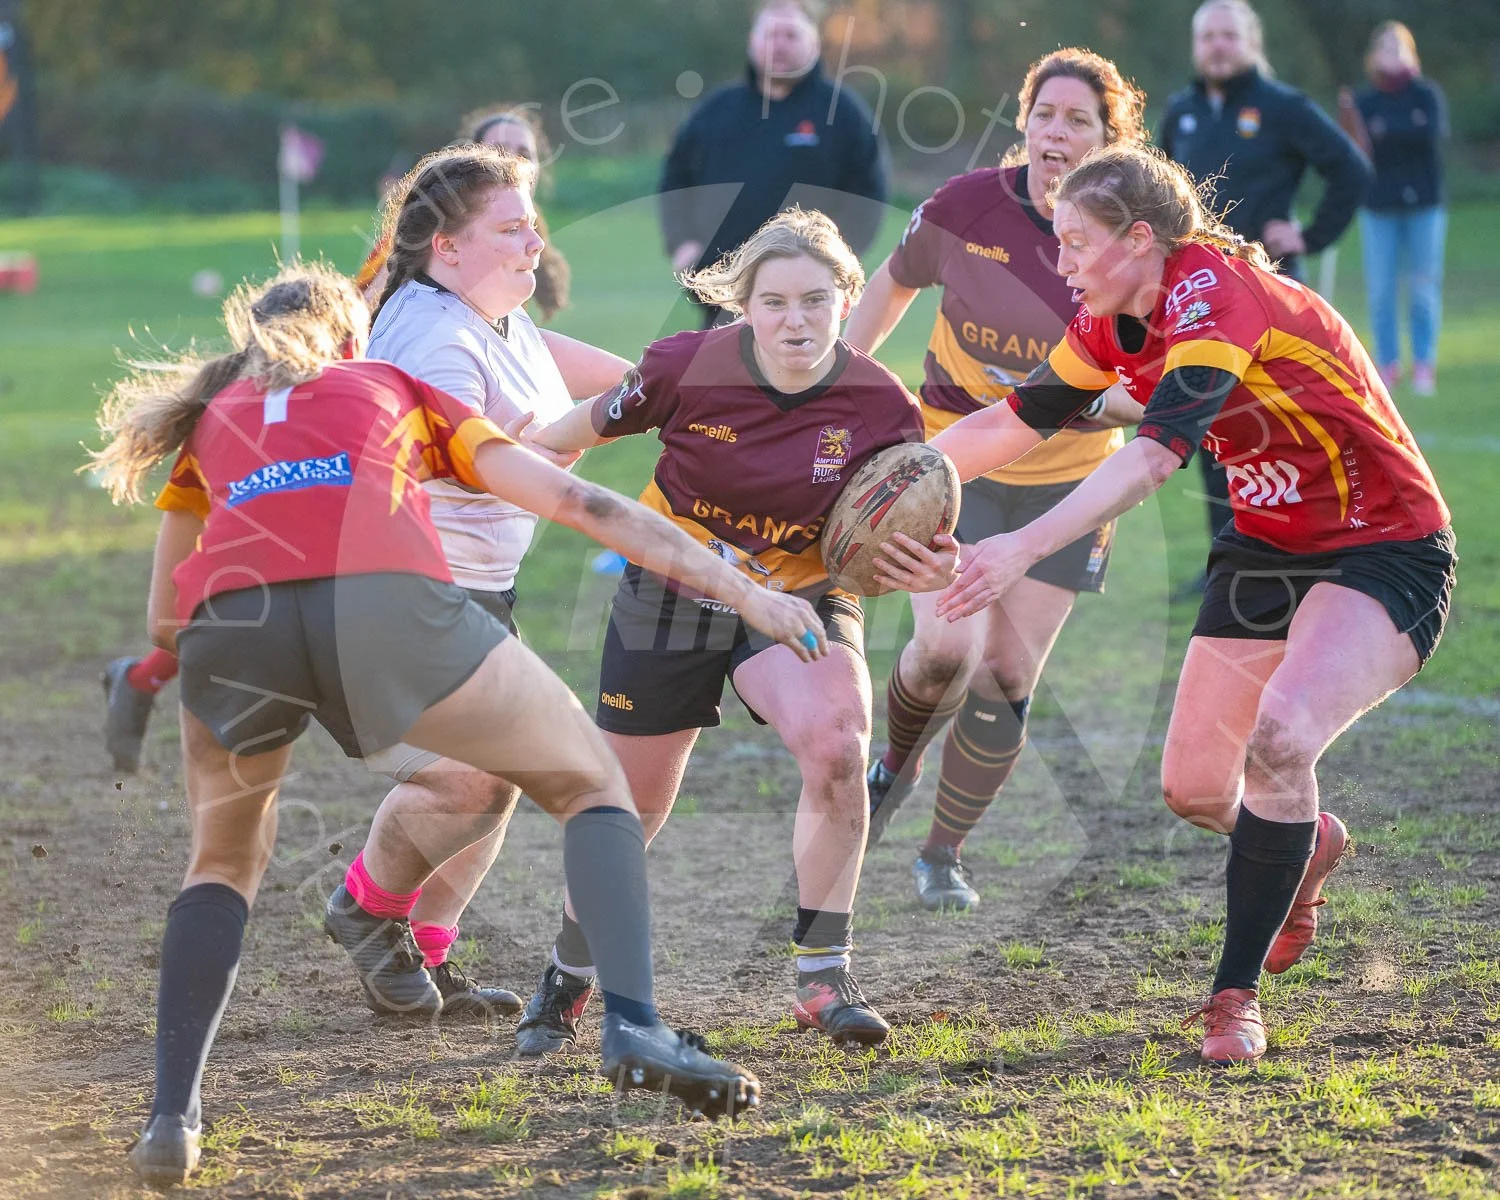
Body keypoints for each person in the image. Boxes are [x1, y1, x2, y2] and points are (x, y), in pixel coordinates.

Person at [90, 264, 828, 1187]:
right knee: (592, 783)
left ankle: (171, 1121)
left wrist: (194, 658)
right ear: (354, 341)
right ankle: (633, 1028)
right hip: (387, 609)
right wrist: (744, 591)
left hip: (235, 635)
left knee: (222, 866)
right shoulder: (390, 386)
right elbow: (580, 502)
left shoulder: (211, 423)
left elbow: (166, 616)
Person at [878, 144, 1453, 1066]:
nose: (1059, 263)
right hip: (1266, 551)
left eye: (1075, 243)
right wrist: (899, 481)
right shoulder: (1110, 319)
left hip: (1382, 543)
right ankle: (1306, 841)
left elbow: (1153, 457)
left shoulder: (1216, 298)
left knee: (1280, 741)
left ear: (1140, 239)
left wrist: (1018, 545)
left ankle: (1235, 999)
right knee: (1192, 789)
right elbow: (1013, 419)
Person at [512, 207, 949, 1054]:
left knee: (837, 743)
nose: (796, 321)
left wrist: (933, 563)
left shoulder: (878, 404)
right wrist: (489, 480)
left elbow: (910, 530)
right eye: (775, 302)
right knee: (627, 805)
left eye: (816, 302)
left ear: (846, 300)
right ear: (742, 304)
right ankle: (570, 971)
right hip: (672, 588)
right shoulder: (685, 366)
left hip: (796, 595)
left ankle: (823, 975)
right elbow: (571, 433)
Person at [98, 106, 575, 778]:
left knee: (259, 564)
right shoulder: (421, 253)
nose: (511, 157)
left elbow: (528, 333)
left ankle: (145, 678)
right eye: (496, 146)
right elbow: (370, 316)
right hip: (338, 402)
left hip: (334, 457)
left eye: (521, 150)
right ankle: (146, 677)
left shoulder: (515, 241)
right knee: (280, 554)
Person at [322, 144, 635, 1021]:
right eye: (511, 228)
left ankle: (419, 958)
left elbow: (592, 383)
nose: (534, 241)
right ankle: (364, 909)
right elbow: (475, 467)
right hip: (401, 593)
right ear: (446, 248)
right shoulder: (432, 336)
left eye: (533, 222)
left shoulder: (494, 312)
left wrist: (683, 390)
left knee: (509, 768)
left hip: (469, 594)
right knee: (470, 778)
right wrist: (583, 438)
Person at [844, 48, 1147, 911]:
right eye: (1045, 114)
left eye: (1079, 119)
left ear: (1109, 140)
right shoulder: (966, 204)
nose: (1057, 131)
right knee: (946, 648)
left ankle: (943, 853)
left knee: (1007, 676)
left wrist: (1085, 405)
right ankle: (888, 771)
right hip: (953, 467)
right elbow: (888, 289)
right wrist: (842, 389)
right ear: (1025, 123)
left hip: (1065, 488)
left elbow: (1152, 381)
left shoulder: (1132, 239)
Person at [1157, 0, 1371, 550]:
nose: (1218, 45)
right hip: (1195, 295)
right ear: (1194, 45)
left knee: (1272, 424)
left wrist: (1310, 235)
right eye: (1208, 36)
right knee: (1206, 424)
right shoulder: (1181, 112)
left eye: (1229, 35)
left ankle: (1294, 548)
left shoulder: (1282, 107)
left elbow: (1350, 168)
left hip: (1266, 290)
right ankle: (1224, 555)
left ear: (1252, 42)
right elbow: (1150, 194)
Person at [659, 0, 888, 328]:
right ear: (752, 40)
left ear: (814, 41)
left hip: (807, 300)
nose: (779, 45)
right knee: (718, 380)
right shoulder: (715, 111)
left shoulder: (842, 113)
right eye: (771, 35)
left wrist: (833, 259)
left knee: (803, 379)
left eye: (791, 35)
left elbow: (868, 194)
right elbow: (676, 178)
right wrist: (682, 243)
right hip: (723, 296)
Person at [1341, 23, 1448, 396]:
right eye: (1385, 47)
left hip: (1424, 205)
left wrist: (1387, 133)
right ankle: (1388, 364)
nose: (1392, 53)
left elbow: (1427, 136)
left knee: (1422, 286)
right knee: (1381, 291)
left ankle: (1424, 362)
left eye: (1399, 47)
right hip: (1379, 207)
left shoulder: (1426, 96)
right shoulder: (1365, 102)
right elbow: (1358, 148)